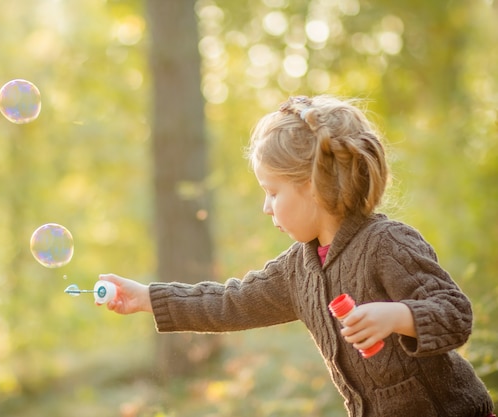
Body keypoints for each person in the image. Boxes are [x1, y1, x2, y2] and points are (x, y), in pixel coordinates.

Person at [98, 95, 495, 417]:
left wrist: (397, 316)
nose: (266, 207)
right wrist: (147, 297)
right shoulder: (298, 269)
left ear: (315, 188)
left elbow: (455, 314)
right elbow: (229, 302)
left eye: (273, 192)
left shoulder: (387, 243)